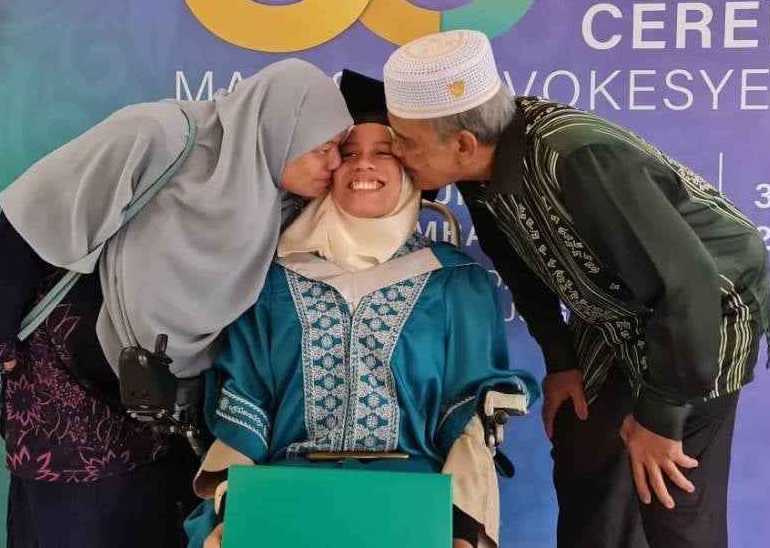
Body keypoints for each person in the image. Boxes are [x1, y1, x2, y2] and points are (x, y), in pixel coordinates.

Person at [380, 30, 770, 548]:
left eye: (405, 141)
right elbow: (519, 265)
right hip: (616, 312)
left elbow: (687, 285)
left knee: (670, 496)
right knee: (584, 453)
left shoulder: (577, 157)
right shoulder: (479, 169)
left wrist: (659, 419)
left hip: (705, 313)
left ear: (462, 144)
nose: (396, 154)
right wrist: (561, 361)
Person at [0, 59, 353, 548]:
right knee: (72, 526)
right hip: (71, 386)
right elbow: (36, 214)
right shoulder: (158, 134)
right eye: (324, 148)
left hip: (171, 406)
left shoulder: (277, 197)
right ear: (280, 127)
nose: (335, 164)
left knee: (156, 524)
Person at [184, 72, 539, 548]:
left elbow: (467, 411)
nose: (361, 166)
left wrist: (462, 523)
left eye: (384, 153)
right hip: (285, 494)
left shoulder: (454, 281)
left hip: (411, 499)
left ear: (411, 169)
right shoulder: (274, 280)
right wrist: (232, 509)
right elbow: (247, 398)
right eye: (347, 154)